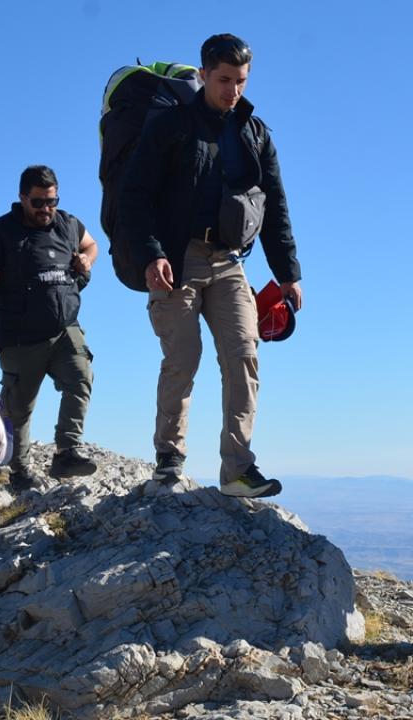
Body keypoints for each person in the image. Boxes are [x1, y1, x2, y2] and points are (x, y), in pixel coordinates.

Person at [118, 33, 302, 498]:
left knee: (243, 356)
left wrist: (288, 275)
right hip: (176, 260)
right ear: (203, 75)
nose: (232, 90)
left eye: (241, 81)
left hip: (229, 262)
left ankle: (237, 469)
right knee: (183, 359)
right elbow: (134, 196)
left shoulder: (254, 133)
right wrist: (151, 253)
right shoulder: (171, 126)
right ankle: (169, 460)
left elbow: (275, 206)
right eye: (223, 80)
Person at [0, 166, 99, 491]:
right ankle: (20, 472)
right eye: (38, 202)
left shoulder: (68, 224)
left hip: (65, 327)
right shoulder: (0, 233)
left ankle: (67, 451)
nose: (45, 209)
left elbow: (92, 244)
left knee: (81, 378)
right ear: (22, 198)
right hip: (20, 337)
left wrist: (87, 260)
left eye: (51, 201)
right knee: (19, 409)